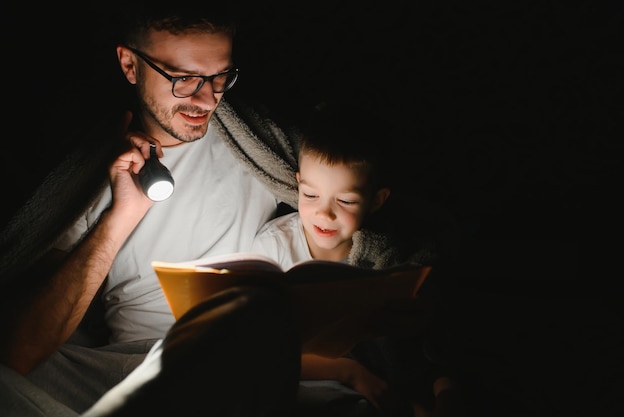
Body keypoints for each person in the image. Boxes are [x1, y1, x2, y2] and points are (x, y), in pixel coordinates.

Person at [0, 3, 304, 416]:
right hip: (134, 364)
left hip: (241, 352)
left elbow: (352, 208)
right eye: (183, 78)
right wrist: (121, 216)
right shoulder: (91, 174)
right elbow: (21, 351)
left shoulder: (259, 146)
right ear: (129, 64)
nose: (206, 98)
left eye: (219, 77)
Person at [251, 101, 463, 417]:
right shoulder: (274, 246)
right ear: (297, 183)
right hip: (297, 382)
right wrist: (349, 373)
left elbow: (425, 345)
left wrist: (443, 390)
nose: (324, 213)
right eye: (310, 195)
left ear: (376, 201)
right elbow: (259, 349)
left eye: (346, 200)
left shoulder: (385, 258)